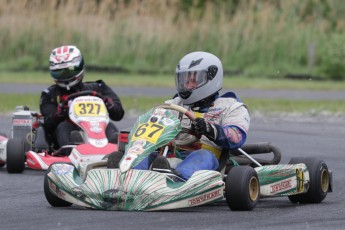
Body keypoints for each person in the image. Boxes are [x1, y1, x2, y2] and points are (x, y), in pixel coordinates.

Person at [39, 45, 124, 152]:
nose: (65, 76)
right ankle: (73, 150)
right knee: (63, 127)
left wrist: (109, 104)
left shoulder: (98, 87)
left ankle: (115, 152)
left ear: (80, 67)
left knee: (110, 126)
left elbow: (119, 114)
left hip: (97, 128)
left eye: (69, 70)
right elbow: (47, 125)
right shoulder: (50, 94)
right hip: (67, 132)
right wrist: (60, 113)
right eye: (59, 72)